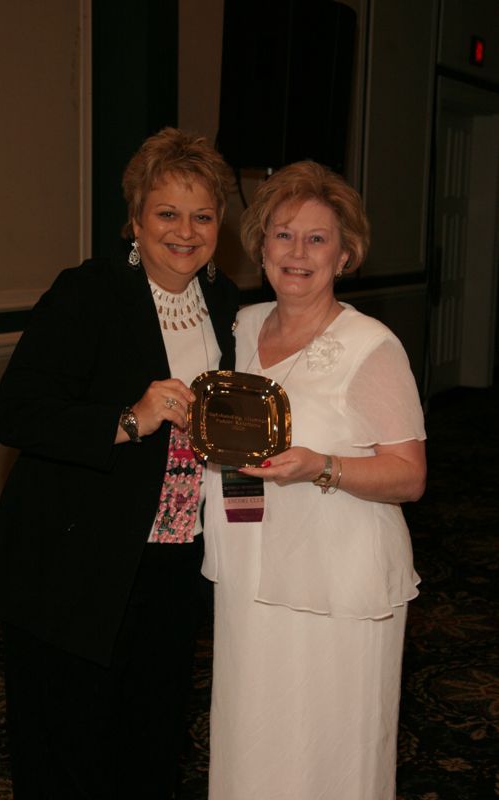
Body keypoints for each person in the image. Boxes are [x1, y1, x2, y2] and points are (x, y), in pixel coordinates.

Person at [0, 127, 238, 799]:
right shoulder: (87, 294)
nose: (185, 230)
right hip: (74, 568)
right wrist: (128, 419)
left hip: (176, 563)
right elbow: (16, 414)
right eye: (166, 213)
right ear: (134, 220)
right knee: (67, 751)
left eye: (202, 214)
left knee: (148, 743)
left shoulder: (230, 307)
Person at [202, 161, 427, 800]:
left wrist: (320, 466)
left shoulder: (370, 347)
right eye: (282, 235)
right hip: (250, 571)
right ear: (261, 246)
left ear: (346, 252)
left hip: (340, 581)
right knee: (256, 738)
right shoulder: (240, 328)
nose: (297, 253)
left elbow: (409, 477)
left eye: (317, 238)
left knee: (329, 750)